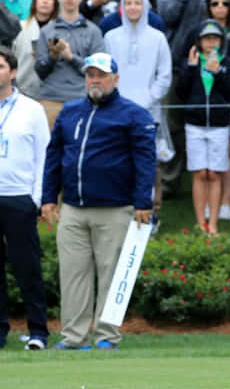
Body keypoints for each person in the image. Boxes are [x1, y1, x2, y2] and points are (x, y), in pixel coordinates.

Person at [42, 52, 156, 350]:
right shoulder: (70, 112)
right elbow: (54, 155)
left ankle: (107, 337)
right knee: (72, 276)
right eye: (90, 74)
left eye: (101, 75)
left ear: (115, 79)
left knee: (111, 275)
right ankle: (74, 338)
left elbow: (146, 162)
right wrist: (48, 197)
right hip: (73, 208)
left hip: (115, 208)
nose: (95, 80)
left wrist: (143, 202)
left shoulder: (134, 115)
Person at [0, 47, 50, 351]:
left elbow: (44, 155)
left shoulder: (32, 110)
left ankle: (38, 332)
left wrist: (37, 197)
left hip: (18, 198)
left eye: (0, 66)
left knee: (27, 267)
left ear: (13, 72)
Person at [104, 0, 172, 226]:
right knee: (118, 161)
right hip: (117, 111)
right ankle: (121, 213)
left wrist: (148, 99)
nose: (133, 7)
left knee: (148, 165)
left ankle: (151, 214)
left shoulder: (157, 38)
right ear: (122, 7)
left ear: (145, 6)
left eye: (137, 3)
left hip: (147, 111)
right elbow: (107, 72)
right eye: (129, 3)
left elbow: (165, 75)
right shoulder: (111, 37)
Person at [175, 20, 230, 234]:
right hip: (195, 125)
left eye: (215, 38)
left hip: (219, 125)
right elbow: (181, 92)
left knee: (214, 174)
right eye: (206, 39)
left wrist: (218, 72)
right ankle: (201, 223)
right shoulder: (191, 61)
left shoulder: (227, 63)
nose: (211, 43)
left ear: (221, 41)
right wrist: (191, 68)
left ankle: (213, 225)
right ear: (199, 41)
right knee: (200, 173)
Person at [35, 0, 106, 127]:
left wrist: (71, 57)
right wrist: (53, 57)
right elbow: (40, 72)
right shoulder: (46, 31)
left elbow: (99, 71)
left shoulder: (93, 31)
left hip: (83, 99)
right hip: (51, 99)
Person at [12, 0, 58, 100]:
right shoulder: (20, 27)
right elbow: (11, 58)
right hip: (22, 90)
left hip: (51, 93)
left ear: (55, 3)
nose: (45, 1)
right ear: (35, 1)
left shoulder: (59, 30)